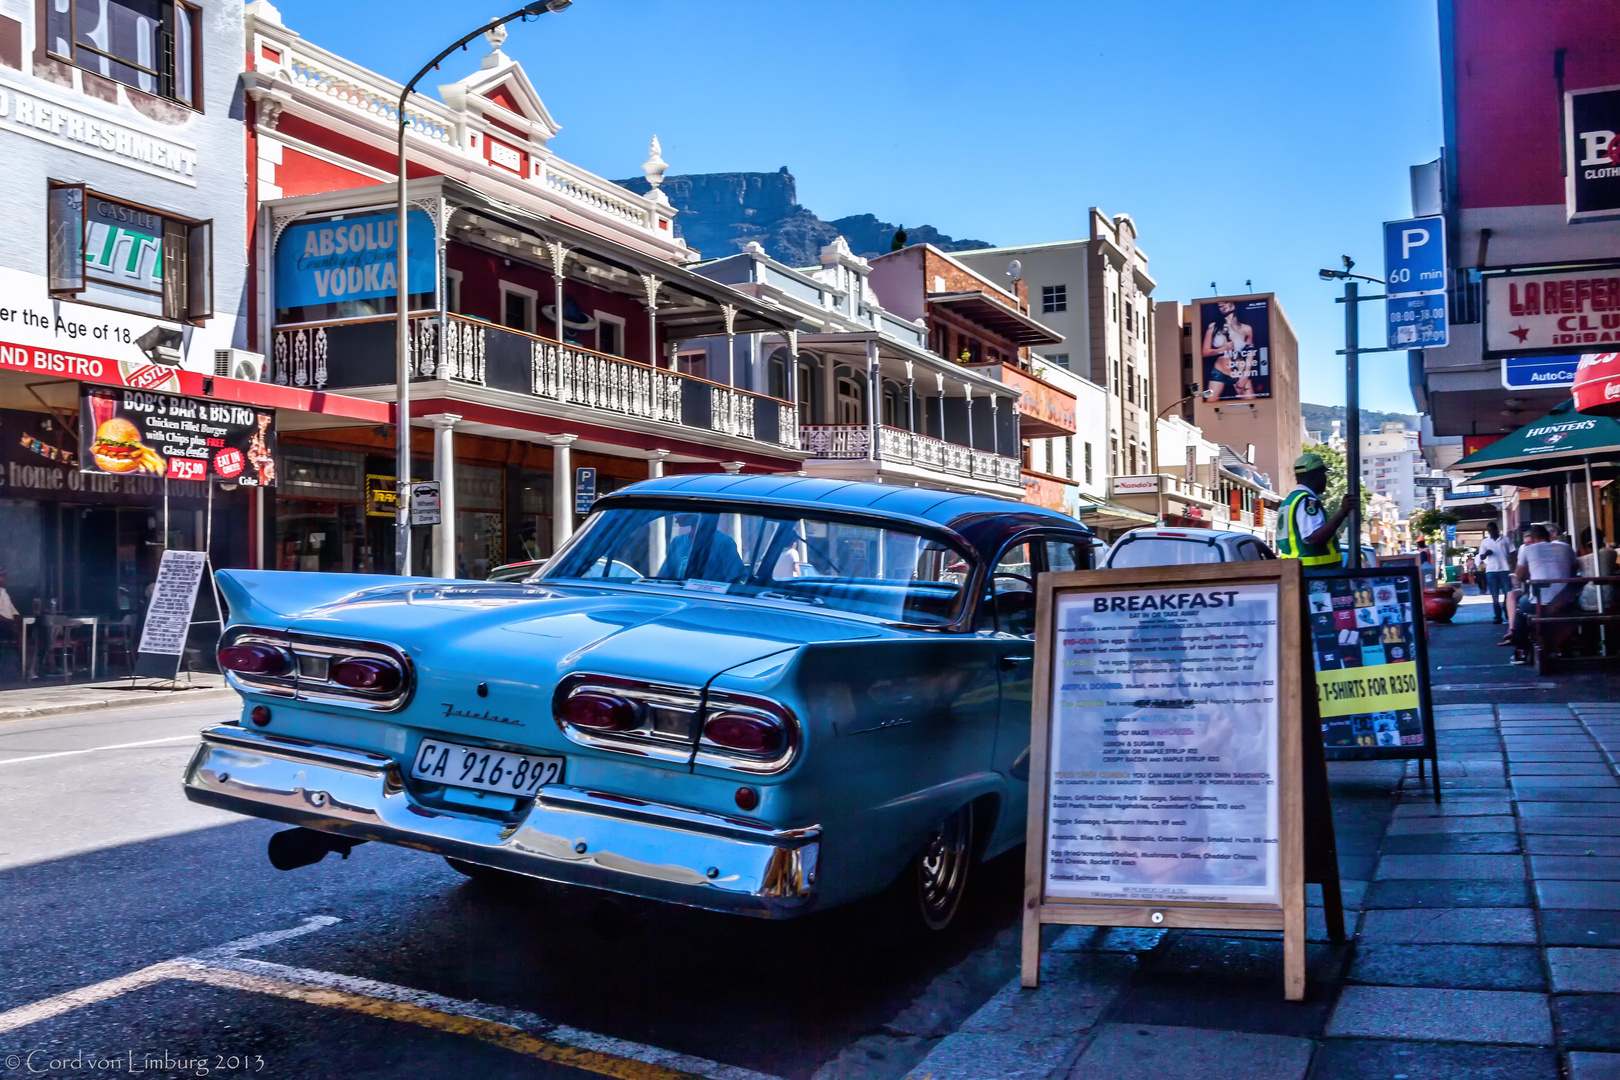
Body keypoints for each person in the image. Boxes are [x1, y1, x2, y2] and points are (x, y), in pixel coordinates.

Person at [1510, 523, 1580, 665]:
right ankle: (1563, 647)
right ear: (1548, 537)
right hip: (1565, 601)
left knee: (1520, 611)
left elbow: (1519, 576)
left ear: (1534, 539)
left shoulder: (1527, 550)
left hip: (1540, 603)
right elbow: (1573, 571)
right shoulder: (1567, 548)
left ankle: (1521, 651)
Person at [1277, 453, 1351, 567]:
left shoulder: (1289, 501)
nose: (1325, 479)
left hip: (1296, 573)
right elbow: (1313, 538)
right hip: (1315, 575)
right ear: (1316, 475)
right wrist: (1342, 512)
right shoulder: (1307, 501)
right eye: (1324, 474)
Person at [1477, 521, 1516, 624]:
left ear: (1496, 530)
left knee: (1508, 593)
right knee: (1495, 595)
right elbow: (1481, 556)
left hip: (1504, 569)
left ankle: (1507, 611)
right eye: (1489, 531)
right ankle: (1497, 616)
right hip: (1491, 570)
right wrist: (1486, 553)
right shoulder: (1485, 542)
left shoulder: (1506, 539)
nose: (1491, 532)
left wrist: (1513, 566)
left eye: (1492, 530)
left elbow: (1513, 553)